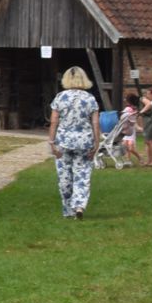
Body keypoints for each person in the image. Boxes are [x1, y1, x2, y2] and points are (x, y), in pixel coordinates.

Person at [49, 67, 100, 219]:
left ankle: (68, 209)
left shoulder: (60, 97)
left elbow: (53, 121)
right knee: (82, 175)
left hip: (63, 141)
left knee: (64, 177)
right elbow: (95, 123)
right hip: (85, 142)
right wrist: (97, 142)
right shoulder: (90, 99)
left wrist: (51, 142)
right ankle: (79, 205)